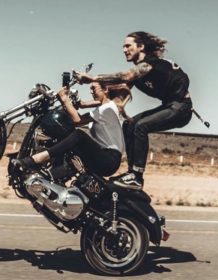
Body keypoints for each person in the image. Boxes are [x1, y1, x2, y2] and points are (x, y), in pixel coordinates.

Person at [75, 31, 193, 189]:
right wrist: (82, 104)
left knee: (140, 126)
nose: (124, 50)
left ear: (141, 46)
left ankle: (136, 176)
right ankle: (131, 174)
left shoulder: (149, 63)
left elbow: (126, 76)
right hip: (170, 105)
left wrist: (94, 78)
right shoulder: (137, 75)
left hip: (181, 107)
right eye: (123, 47)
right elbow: (115, 102)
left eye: (128, 46)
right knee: (129, 125)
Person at [13, 82, 131, 177]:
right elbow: (87, 106)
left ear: (105, 90)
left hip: (108, 160)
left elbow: (77, 120)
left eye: (93, 88)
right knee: (68, 138)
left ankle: (39, 158)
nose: (91, 91)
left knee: (79, 135)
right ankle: (51, 176)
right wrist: (76, 103)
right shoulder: (106, 107)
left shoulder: (106, 109)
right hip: (106, 159)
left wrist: (64, 98)